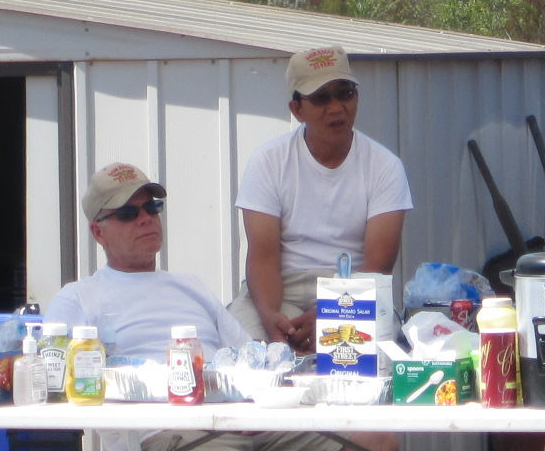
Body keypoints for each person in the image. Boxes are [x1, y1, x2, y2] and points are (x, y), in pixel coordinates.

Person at [45, 162, 399, 451]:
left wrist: (258, 400)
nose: (146, 218)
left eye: (152, 208)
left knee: (377, 441)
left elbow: (249, 357)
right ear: (98, 232)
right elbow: (53, 385)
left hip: (247, 418)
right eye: (127, 213)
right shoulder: (79, 298)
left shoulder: (189, 286)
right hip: (173, 428)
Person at [228, 45, 413, 354]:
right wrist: (273, 323)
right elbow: (262, 259)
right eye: (321, 98)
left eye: (345, 93)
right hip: (280, 289)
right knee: (244, 351)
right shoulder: (268, 161)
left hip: (352, 289)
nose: (336, 107)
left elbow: (378, 267)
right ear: (297, 110)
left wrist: (331, 314)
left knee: (365, 356)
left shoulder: (385, 166)